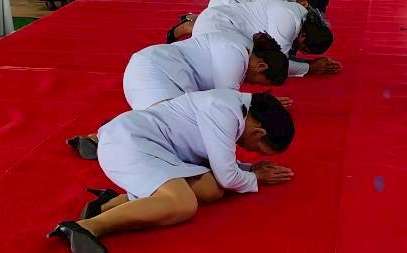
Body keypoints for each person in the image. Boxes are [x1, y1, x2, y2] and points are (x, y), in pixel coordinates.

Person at [48, 90, 295, 253]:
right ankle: (87, 227)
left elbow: (220, 163)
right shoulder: (224, 112)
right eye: (256, 148)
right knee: (183, 204)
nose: (250, 151)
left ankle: (109, 204)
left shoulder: (235, 106)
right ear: (259, 133)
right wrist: (254, 177)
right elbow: (228, 175)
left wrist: (249, 169)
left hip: (153, 145)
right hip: (128, 141)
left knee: (210, 188)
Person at [65, 32, 291, 159]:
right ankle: (102, 136)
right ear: (261, 66)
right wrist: (261, 105)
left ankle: (108, 132)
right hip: (156, 73)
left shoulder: (239, 45)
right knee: (175, 136)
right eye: (258, 82)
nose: (251, 84)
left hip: (160, 71)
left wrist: (261, 104)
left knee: (175, 128)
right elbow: (226, 101)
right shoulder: (236, 57)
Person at [186, 1, 340, 76]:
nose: (300, 50)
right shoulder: (287, 22)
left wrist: (308, 63)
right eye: (304, 48)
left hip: (218, 20)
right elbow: (279, 62)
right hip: (215, 27)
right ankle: (187, 27)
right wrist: (311, 68)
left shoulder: (302, 17)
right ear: (304, 35)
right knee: (246, 65)